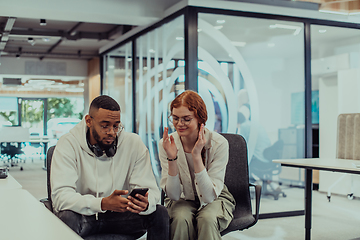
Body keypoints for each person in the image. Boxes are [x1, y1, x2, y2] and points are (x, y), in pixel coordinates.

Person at [51, 95, 169, 240]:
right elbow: (60, 197)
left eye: (116, 126)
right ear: (89, 121)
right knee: (67, 216)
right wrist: (102, 203)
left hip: (122, 218)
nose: (112, 132)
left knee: (160, 212)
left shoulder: (133, 143)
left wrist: (145, 203)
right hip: (85, 217)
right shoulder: (68, 144)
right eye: (104, 125)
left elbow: (152, 191)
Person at [159, 90, 235, 240]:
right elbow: (173, 195)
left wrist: (196, 156)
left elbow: (208, 196)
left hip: (215, 196)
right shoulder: (166, 144)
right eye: (175, 118)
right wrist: (172, 158)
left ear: (200, 119)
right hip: (181, 198)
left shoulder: (219, 144)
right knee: (180, 219)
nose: (179, 124)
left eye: (186, 119)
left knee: (207, 219)